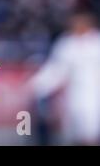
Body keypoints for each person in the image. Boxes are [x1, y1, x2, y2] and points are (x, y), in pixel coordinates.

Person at [29, 10, 100, 145]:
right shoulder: (67, 44)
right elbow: (55, 70)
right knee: (75, 136)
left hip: (95, 97)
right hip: (74, 98)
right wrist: (37, 85)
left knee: (91, 135)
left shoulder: (96, 43)